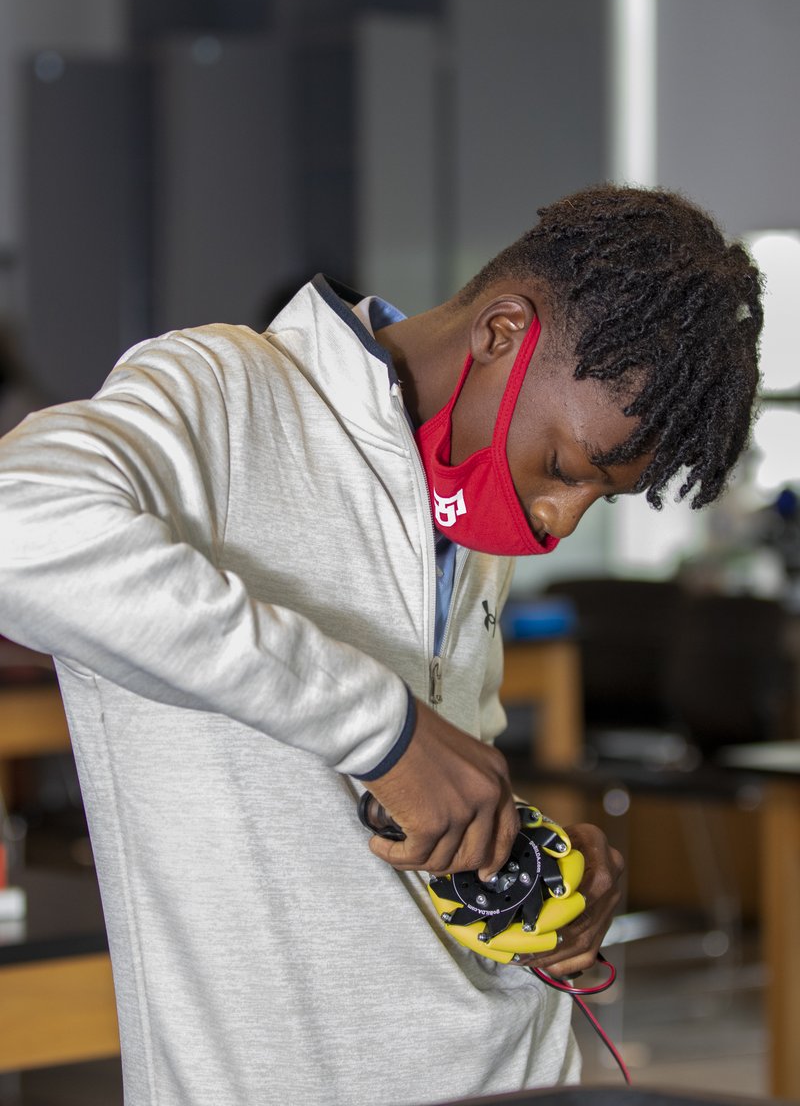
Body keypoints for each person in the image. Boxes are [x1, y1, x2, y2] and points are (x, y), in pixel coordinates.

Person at [0, 185, 762, 1105]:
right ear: (502, 332)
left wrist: (527, 888)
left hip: (515, 1071)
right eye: (565, 467)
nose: (559, 516)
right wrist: (383, 731)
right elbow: (20, 531)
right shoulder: (222, 395)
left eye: (597, 497)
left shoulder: (466, 503)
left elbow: (403, 821)